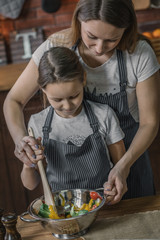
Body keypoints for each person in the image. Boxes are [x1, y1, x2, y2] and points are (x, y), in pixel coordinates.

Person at [3, 0, 160, 204]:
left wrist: (123, 166)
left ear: (127, 28)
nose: (99, 48)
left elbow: (150, 122)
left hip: (130, 161)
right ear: (79, 20)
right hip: (76, 188)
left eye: (112, 39)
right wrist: (21, 142)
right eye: (91, 36)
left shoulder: (139, 54)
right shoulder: (55, 47)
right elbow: (13, 100)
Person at [21, 46, 125, 200]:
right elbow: (30, 184)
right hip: (63, 210)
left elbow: (121, 166)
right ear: (43, 89)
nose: (68, 106)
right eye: (57, 100)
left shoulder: (103, 115)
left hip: (103, 203)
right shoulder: (37, 123)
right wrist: (28, 163)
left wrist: (116, 187)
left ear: (83, 79)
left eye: (74, 96)